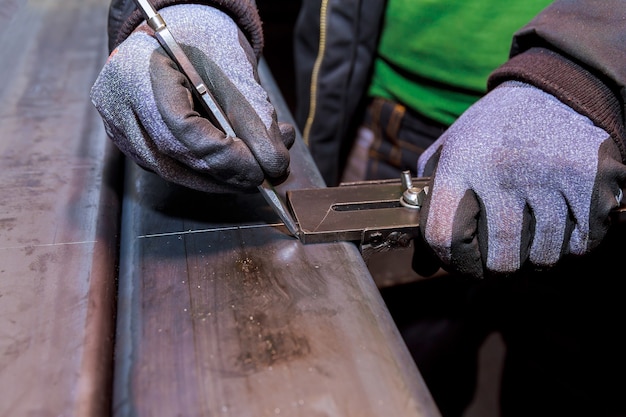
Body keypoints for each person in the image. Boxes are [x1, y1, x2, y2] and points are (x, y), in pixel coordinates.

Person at [91, 1, 626, 415]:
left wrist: (591, 68)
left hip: (592, 143)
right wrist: (188, 8)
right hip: (394, 122)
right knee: (384, 382)